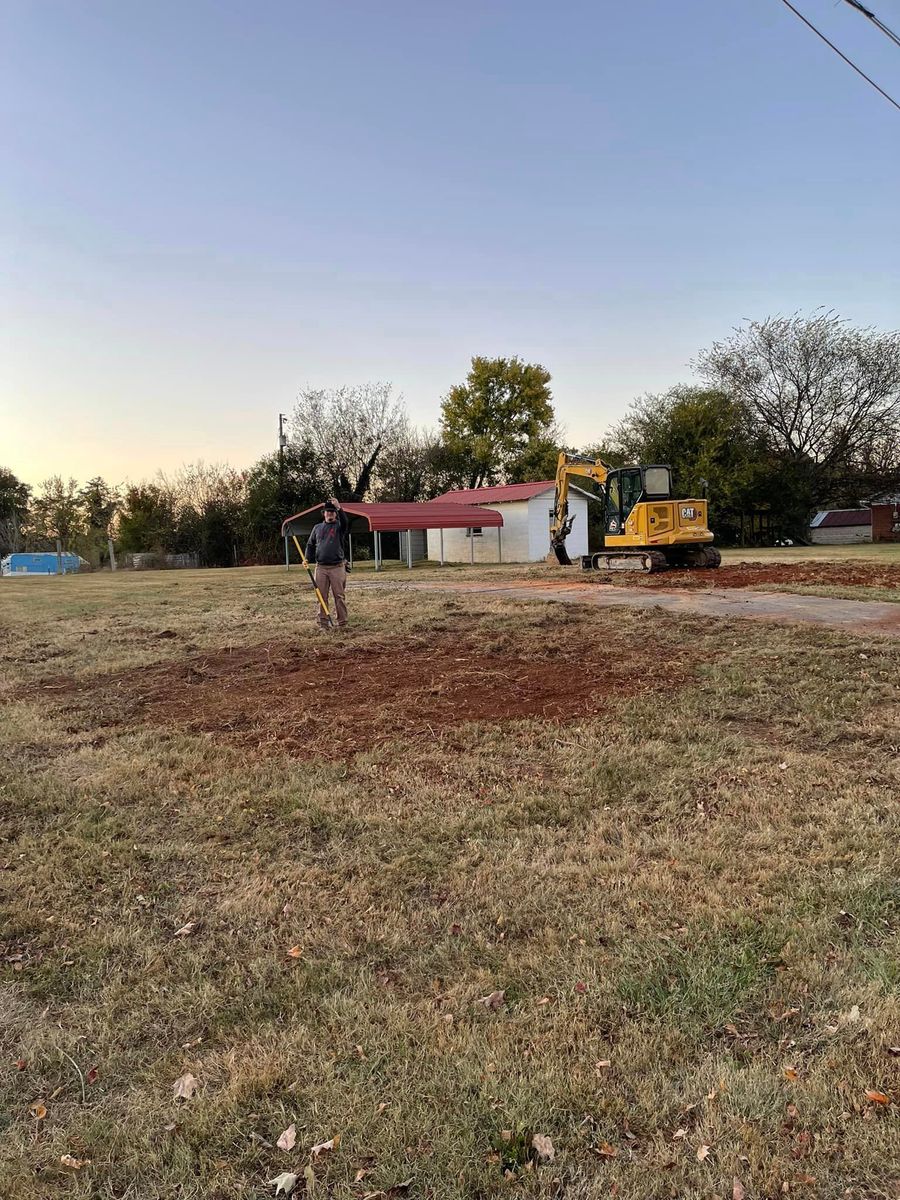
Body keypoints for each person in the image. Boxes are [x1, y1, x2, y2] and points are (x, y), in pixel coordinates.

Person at [305, 498, 349, 629]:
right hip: (321, 568)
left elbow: (346, 522)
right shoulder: (317, 528)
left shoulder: (340, 527)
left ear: (335, 513)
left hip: (337, 567)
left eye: (332, 511)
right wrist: (307, 558)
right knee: (321, 596)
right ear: (323, 513)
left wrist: (339, 507)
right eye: (327, 511)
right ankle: (323, 624)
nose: (330, 513)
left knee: (339, 596)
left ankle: (343, 623)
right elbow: (310, 544)